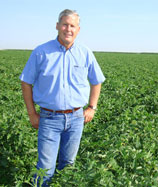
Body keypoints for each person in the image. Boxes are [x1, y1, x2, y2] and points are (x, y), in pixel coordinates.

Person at [20, 9, 105, 186]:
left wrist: (92, 107)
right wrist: (31, 113)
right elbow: (26, 82)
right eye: (65, 24)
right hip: (49, 118)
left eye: (72, 26)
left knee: (68, 166)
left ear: (78, 30)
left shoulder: (85, 52)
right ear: (57, 26)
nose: (68, 29)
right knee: (45, 168)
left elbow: (97, 81)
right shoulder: (41, 52)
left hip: (76, 118)